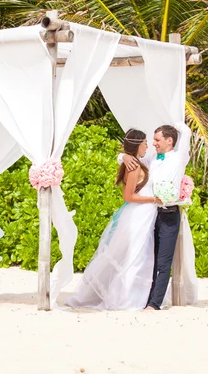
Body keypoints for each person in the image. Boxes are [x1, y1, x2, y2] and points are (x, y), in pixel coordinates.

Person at [65, 129, 163, 310]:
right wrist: (153, 199)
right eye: (145, 143)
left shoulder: (136, 162)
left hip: (143, 215)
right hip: (138, 215)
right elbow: (128, 196)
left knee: (140, 256)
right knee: (135, 256)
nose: (147, 146)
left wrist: (123, 156)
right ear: (137, 144)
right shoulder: (134, 167)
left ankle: (133, 295)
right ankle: (125, 298)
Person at [121, 124, 191, 310]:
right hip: (151, 215)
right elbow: (130, 158)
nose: (154, 144)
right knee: (149, 260)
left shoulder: (179, 158)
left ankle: (154, 303)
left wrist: (178, 123)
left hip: (169, 213)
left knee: (163, 261)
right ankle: (145, 299)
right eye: (152, 140)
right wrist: (124, 156)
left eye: (157, 140)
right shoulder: (152, 159)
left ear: (170, 141)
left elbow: (187, 135)